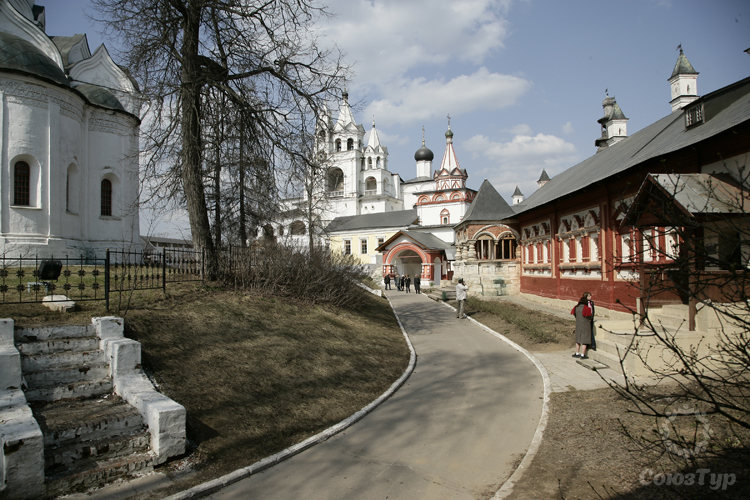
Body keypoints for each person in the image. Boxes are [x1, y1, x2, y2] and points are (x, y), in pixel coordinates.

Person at [572, 291, 595, 358]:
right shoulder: (586, 308)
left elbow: (574, 314)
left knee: (578, 339)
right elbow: (589, 316)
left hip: (578, 324)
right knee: (584, 340)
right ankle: (582, 354)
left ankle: (577, 353)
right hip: (585, 325)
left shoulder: (576, 307)